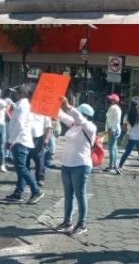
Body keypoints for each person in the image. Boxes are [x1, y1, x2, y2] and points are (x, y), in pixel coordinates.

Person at [55, 97, 97, 236]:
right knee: (68, 195)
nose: (75, 115)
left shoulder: (90, 127)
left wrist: (68, 106)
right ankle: (67, 221)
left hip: (81, 165)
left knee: (80, 195)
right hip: (67, 164)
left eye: (78, 112)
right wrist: (53, 103)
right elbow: (61, 115)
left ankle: (82, 223)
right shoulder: (74, 125)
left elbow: (79, 118)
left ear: (85, 115)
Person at [5, 84, 44, 203]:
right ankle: (18, 192)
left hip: (20, 141)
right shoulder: (24, 105)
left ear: (21, 94)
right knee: (21, 168)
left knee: (22, 168)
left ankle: (36, 191)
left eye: (15, 92)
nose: (13, 94)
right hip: (22, 140)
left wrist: (11, 141)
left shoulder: (21, 106)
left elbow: (19, 126)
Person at [115, 97, 139, 175]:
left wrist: (129, 130)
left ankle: (120, 167)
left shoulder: (127, 116)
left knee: (126, 153)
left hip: (131, 138)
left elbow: (124, 129)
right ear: (138, 107)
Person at [27, 111, 53, 187]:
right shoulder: (26, 108)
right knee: (26, 159)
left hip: (38, 138)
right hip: (26, 137)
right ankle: (26, 178)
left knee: (39, 159)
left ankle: (40, 178)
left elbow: (49, 126)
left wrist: (47, 138)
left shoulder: (44, 111)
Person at [104, 94, 122, 171]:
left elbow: (112, 120)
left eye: (111, 100)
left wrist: (111, 130)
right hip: (116, 129)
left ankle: (111, 166)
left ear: (114, 101)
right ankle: (114, 165)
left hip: (112, 129)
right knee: (114, 147)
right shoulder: (118, 108)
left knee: (111, 148)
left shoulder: (112, 108)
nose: (110, 101)